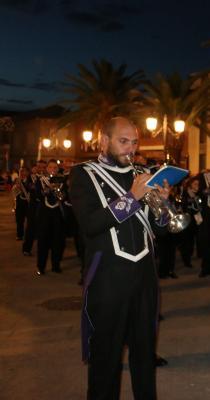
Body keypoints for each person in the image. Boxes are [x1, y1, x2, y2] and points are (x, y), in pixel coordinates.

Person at [70, 117, 170, 399]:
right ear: (104, 141)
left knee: (144, 355)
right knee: (106, 358)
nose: (131, 148)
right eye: (123, 141)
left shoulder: (141, 174)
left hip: (145, 278)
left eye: (134, 142)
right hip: (109, 280)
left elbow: (157, 230)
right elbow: (90, 224)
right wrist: (132, 197)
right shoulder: (84, 174)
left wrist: (161, 205)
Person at [35, 159, 67, 274]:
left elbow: (65, 196)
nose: (53, 169)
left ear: (58, 169)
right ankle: (41, 266)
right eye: (51, 167)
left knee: (57, 241)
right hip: (44, 214)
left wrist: (61, 194)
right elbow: (37, 195)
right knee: (43, 241)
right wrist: (47, 190)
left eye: (55, 168)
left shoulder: (63, 180)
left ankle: (56, 265)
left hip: (57, 214)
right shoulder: (40, 180)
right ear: (47, 169)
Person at [12, 167, 31, 241]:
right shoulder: (17, 180)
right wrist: (17, 187)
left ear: (28, 172)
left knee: (30, 220)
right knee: (19, 219)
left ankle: (30, 234)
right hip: (19, 202)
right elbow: (14, 190)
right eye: (22, 172)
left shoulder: (30, 180)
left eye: (25, 171)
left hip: (28, 202)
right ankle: (19, 235)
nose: (23, 173)